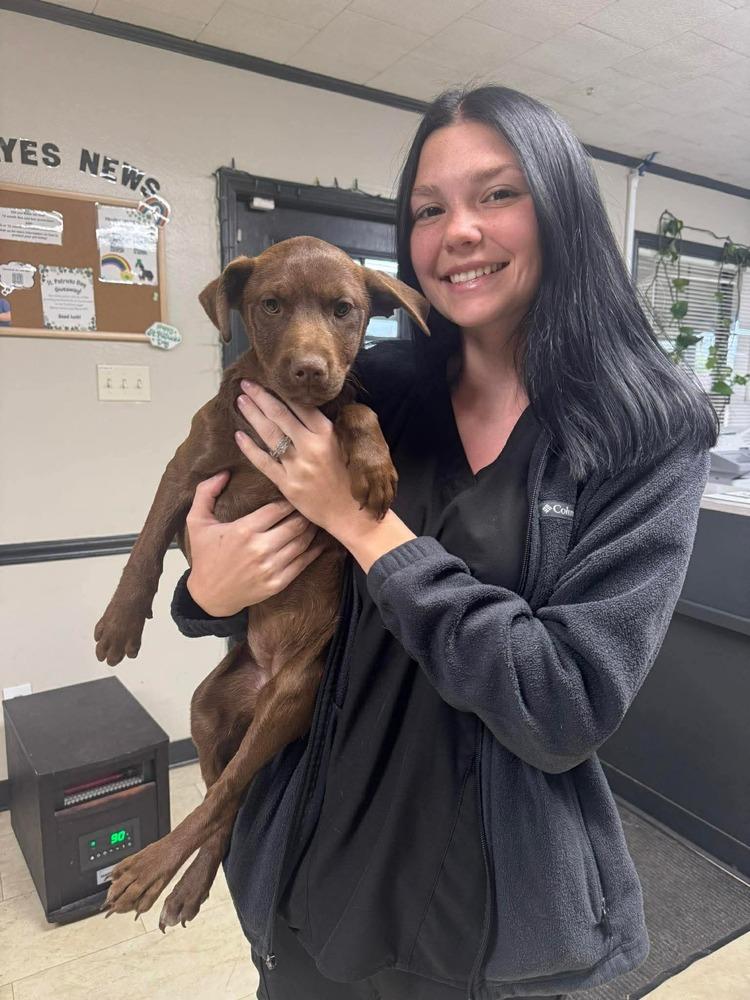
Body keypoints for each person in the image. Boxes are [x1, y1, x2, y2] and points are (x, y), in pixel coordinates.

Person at [172, 86, 718, 1000]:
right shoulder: (372, 385)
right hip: (314, 861)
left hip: (489, 915)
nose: (458, 230)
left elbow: (565, 700)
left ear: (562, 207)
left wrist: (362, 522)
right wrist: (207, 591)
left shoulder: (646, 430)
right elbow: (242, 540)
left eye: (497, 194)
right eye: (429, 208)